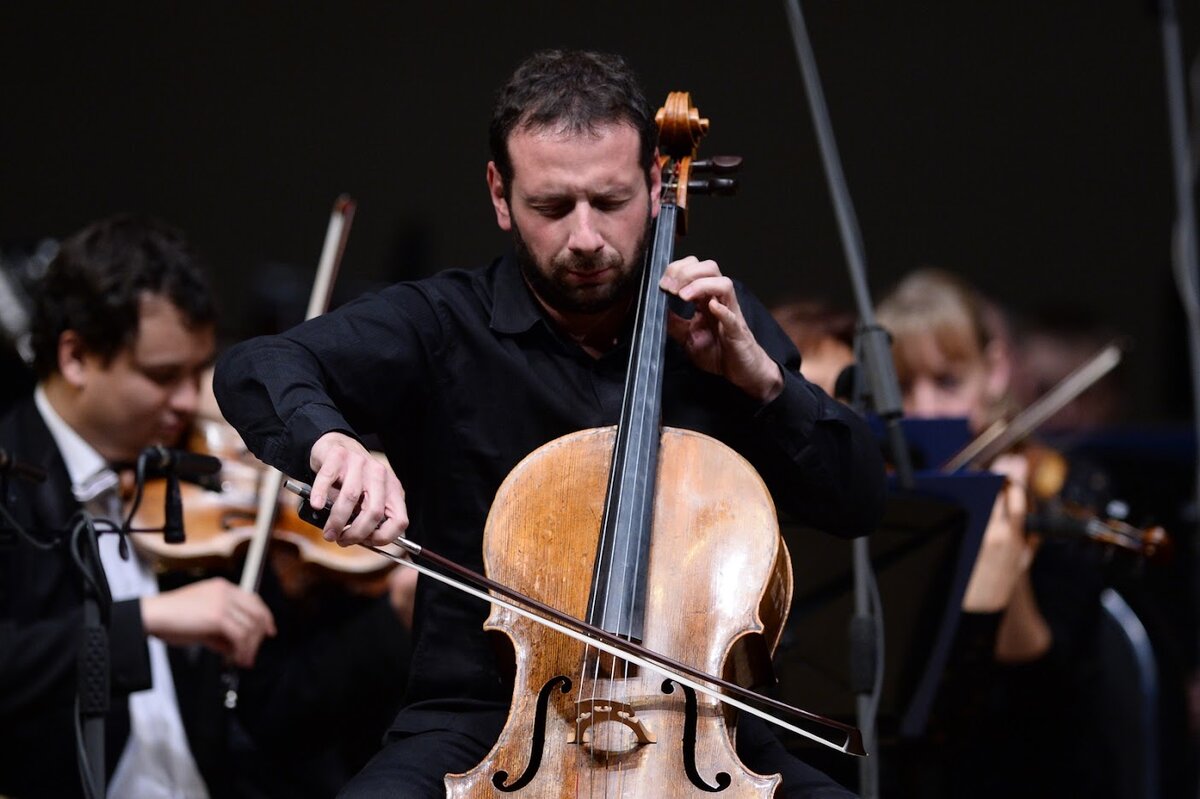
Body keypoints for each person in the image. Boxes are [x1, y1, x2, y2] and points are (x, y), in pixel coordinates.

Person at [214, 49, 886, 798]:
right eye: (553, 207)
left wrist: (762, 382)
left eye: (612, 200)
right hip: (484, 718)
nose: (588, 238)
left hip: (703, 725)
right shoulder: (443, 325)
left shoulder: (713, 324)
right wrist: (331, 441)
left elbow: (860, 496)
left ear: (658, 188)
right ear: (501, 195)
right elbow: (257, 366)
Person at [0, 214, 277, 798]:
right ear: (75, 357)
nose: (190, 402)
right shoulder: (10, 480)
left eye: (198, 372)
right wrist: (143, 623)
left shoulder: (189, 477)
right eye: (162, 376)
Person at [875, 267, 1115, 798]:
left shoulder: (1060, 486)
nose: (923, 410)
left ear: (996, 370)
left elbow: (1044, 699)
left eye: (947, 382)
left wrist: (1008, 557)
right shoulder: (877, 492)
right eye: (901, 387)